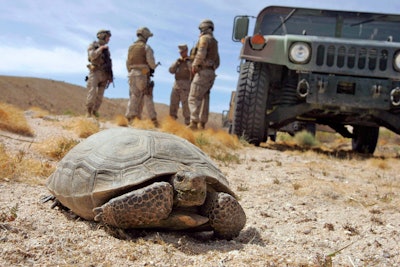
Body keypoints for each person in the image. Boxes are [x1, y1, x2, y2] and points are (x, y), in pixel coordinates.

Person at [188, 19, 219, 130]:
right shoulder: (215, 42)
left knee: (194, 97)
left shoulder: (204, 39)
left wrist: (195, 65)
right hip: (211, 73)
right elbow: (218, 61)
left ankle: (194, 123)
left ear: (204, 28)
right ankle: (202, 124)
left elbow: (201, 53)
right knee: (205, 98)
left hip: (203, 72)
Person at [125, 27, 159, 127]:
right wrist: (154, 66)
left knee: (133, 96)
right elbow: (151, 64)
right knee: (147, 96)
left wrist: (132, 71)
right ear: (145, 36)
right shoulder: (146, 47)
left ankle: (131, 118)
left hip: (131, 74)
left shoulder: (131, 47)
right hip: (142, 74)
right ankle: (154, 120)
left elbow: (128, 62)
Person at [85, 29, 113, 118]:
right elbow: (92, 56)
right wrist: (100, 49)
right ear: (102, 36)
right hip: (95, 72)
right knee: (92, 92)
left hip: (104, 74)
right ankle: (88, 112)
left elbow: (109, 63)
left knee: (100, 96)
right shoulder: (93, 45)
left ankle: (94, 112)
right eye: (108, 37)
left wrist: (110, 76)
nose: (109, 39)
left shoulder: (107, 50)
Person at [168, 44, 192, 125]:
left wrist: (187, 61)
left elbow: (193, 71)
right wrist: (176, 63)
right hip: (176, 85)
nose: (181, 54)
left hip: (186, 86)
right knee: (173, 104)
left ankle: (188, 123)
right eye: (180, 52)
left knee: (186, 106)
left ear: (186, 51)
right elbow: (171, 70)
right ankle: (171, 123)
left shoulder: (190, 61)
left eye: (182, 52)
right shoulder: (178, 61)